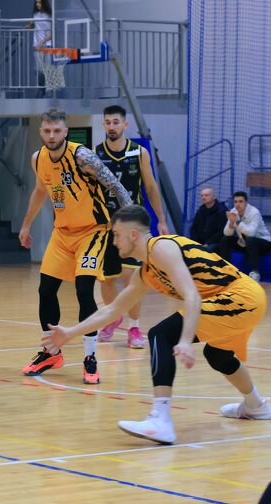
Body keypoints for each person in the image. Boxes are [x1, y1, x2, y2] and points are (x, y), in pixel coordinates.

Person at [43, 205, 270, 445]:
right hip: (242, 299)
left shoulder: (161, 247)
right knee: (218, 356)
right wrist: (70, 333)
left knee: (160, 334)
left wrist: (184, 341)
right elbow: (112, 310)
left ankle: (161, 420)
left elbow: (191, 295)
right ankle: (256, 406)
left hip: (240, 297)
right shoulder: (146, 272)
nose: (114, 241)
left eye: (117, 234)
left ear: (133, 234)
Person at [19, 108, 132, 384]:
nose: (52, 135)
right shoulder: (38, 159)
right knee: (46, 290)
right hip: (62, 233)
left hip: (93, 231)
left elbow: (116, 186)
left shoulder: (82, 157)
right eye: (47, 131)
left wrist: (132, 223)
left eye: (57, 130)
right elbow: (39, 192)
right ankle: (50, 352)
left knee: (83, 289)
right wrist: (26, 225)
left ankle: (90, 357)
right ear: (41, 132)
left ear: (65, 132)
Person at [95, 105, 169, 349]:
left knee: (132, 279)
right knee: (106, 280)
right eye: (108, 122)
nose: (112, 126)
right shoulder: (96, 153)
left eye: (116, 122)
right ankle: (112, 318)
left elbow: (151, 187)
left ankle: (134, 327)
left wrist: (161, 219)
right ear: (104, 125)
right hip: (106, 225)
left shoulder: (139, 152)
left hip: (132, 226)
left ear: (125, 125)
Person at [218, 191, 271, 282]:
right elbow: (226, 233)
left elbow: (251, 233)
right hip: (245, 242)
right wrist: (231, 224)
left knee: (251, 240)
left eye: (240, 201)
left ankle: (255, 272)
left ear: (246, 202)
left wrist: (237, 222)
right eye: (235, 202)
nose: (237, 204)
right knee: (224, 239)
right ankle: (228, 270)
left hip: (263, 243)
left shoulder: (254, 212)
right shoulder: (233, 211)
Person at [189, 187, 227, 252]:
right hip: (201, 241)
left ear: (214, 197)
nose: (203, 197)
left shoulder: (221, 210)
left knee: (206, 251)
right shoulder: (201, 210)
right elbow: (194, 228)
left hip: (215, 242)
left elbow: (221, 232)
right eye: (202, 195)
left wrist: (208, 243)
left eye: (206, 195)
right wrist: (194, 242)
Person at [28, 0, 52, 97]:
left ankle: (48, 91)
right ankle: (42, 89)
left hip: (48, 45)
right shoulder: (35, 15)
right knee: (38, 70)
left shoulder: (49, 15)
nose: (38, 4)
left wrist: (43, 41)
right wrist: (29, 25)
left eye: (40, 2)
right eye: (36, 3)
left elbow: (52, 33)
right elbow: (30, 26)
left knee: (48, 69)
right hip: (37, 45)